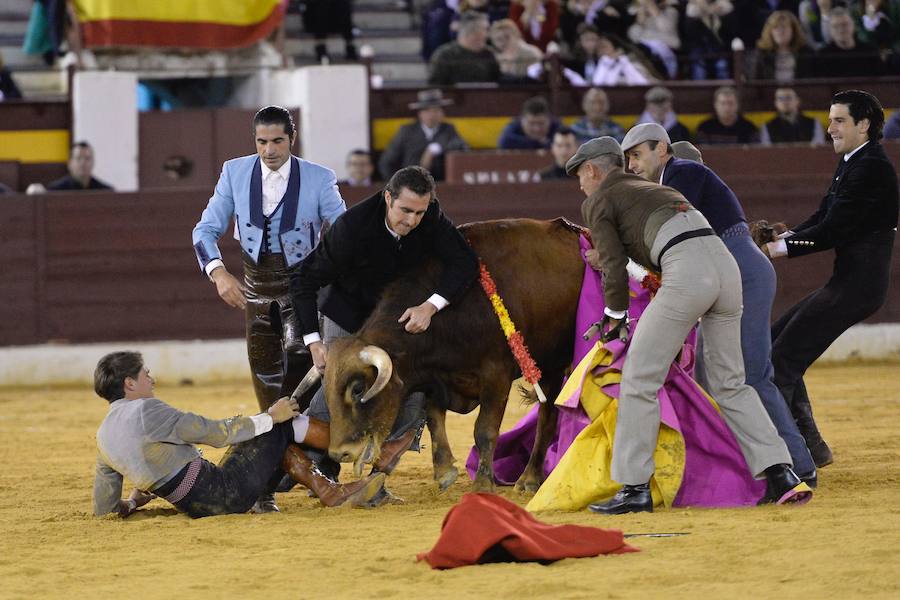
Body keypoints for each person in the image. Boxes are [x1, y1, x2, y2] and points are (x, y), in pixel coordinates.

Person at [567, 136, 811, 514]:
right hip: (726, 268)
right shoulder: (654, 187)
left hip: (687, 270)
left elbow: (613, 265)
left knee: (638, 376)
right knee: (730, 382)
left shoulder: (598, 199)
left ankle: (634, 489)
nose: (580, 185)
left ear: (592, 170)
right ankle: (781, 473)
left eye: (579, 176)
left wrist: (615, 317)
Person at [621, 122, 817, 485]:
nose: (631, 165)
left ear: (662, 150)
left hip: (738, 271)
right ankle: (757, 466)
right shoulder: (677, 177)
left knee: (751, 376)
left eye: (636, 155)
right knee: (714, 378)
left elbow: (666, 233)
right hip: (725, 272)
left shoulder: (683, 173)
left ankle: (798, 466)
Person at [289, 166, 479, 506]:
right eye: (405, 210)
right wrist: (313, 342)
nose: (412, 221)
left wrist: (430, 307)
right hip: (349, 318)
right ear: (388, 198)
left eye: (419, 212)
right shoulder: (352, 227)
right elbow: (304, 280)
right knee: (339, 396)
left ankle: (376, 480)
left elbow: (465, 263)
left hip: (396, 324)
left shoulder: (431, 218)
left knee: (411, 390)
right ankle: (319, 474)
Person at [192, 106, 346, 512]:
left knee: (304, 392)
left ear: (291, 139)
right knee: (269, 397)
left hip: (303, 301)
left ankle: (318, 470)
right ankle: (268, 485)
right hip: (257, 301)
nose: (269, 150)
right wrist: (219, 273)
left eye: (277, 141)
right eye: (261, 142)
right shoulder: (234, 172)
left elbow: (342, 233)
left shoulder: (319, 178)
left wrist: (329, 279)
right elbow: (204, 229)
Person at [759, 90, 899, 468]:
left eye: (839, 121)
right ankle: (811, 447)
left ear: (863, 125)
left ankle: (794, 454)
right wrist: (785, 238)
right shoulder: (855, 161)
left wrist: (779, 251)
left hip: (858, 287)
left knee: (782, 359)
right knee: (777, 345)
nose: (830, 127)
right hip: (849, 283)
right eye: (831, 119)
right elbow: (823, 217)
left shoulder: (870, 166)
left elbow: (833, 229)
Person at [91, 351, 386, 518]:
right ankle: (362, 452)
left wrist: (131, 504)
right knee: (278, 425)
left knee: (261, 432)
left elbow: (104, 509)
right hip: (224, 493)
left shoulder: (103, 437)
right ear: (129, 384)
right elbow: (215, 433)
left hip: (196, 507)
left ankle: (318, 485)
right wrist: (271, 416)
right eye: (145, 375)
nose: (151, 379)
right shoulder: (146, 409)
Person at [378, 89, 468, 183]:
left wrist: (436, 147)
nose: (432, 115)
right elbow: (386, 162)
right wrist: (397, 186)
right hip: (412, 186)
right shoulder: (407, 131)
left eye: (436, 110)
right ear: (420, 114)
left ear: (442, 113)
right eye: (427, 111)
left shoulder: (448, 129)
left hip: (441, 185)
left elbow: (463, 149)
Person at [428, 10, 502, 86]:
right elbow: (435, 85)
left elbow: (499, 83)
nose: (488, 35)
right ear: (472, 32)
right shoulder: (444, 55)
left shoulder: (489, 54)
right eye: (485, 30)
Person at [813, 7, 884, 77]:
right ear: (830, 30)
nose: (841, 30)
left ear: (853, 25)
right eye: (835, 26)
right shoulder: (822, 56)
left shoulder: (870, 52)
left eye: (845, 25)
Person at [751, 10, 815, 82]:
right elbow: (756, 83)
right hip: (770, 93)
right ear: (770, 32)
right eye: (776, 28)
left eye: (784, 27)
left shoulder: (806, 52)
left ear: (793, 31)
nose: (780, 31)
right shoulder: (762, 53)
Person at [696, 86, 761, 145]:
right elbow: (702, 154)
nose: (727, 108)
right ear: (715, 105)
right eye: (723, 103)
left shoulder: (749, 128)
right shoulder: (704, 128)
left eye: (731, 103)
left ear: (737, 105)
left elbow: (755, 153)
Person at [761, 87, 826, 145]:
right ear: (776, 103)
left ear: (797, 101)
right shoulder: (768, 126)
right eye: (780, 99)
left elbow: (818, 147)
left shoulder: (813, 123)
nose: (785, 102)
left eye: (788, 98)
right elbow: (767, 150)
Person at [47, 141, 113, 191]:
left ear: (93, 162)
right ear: (70, 163)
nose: (83, 163)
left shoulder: (105, 191)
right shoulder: (55, 191)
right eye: (78, 158)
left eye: (87, 158)